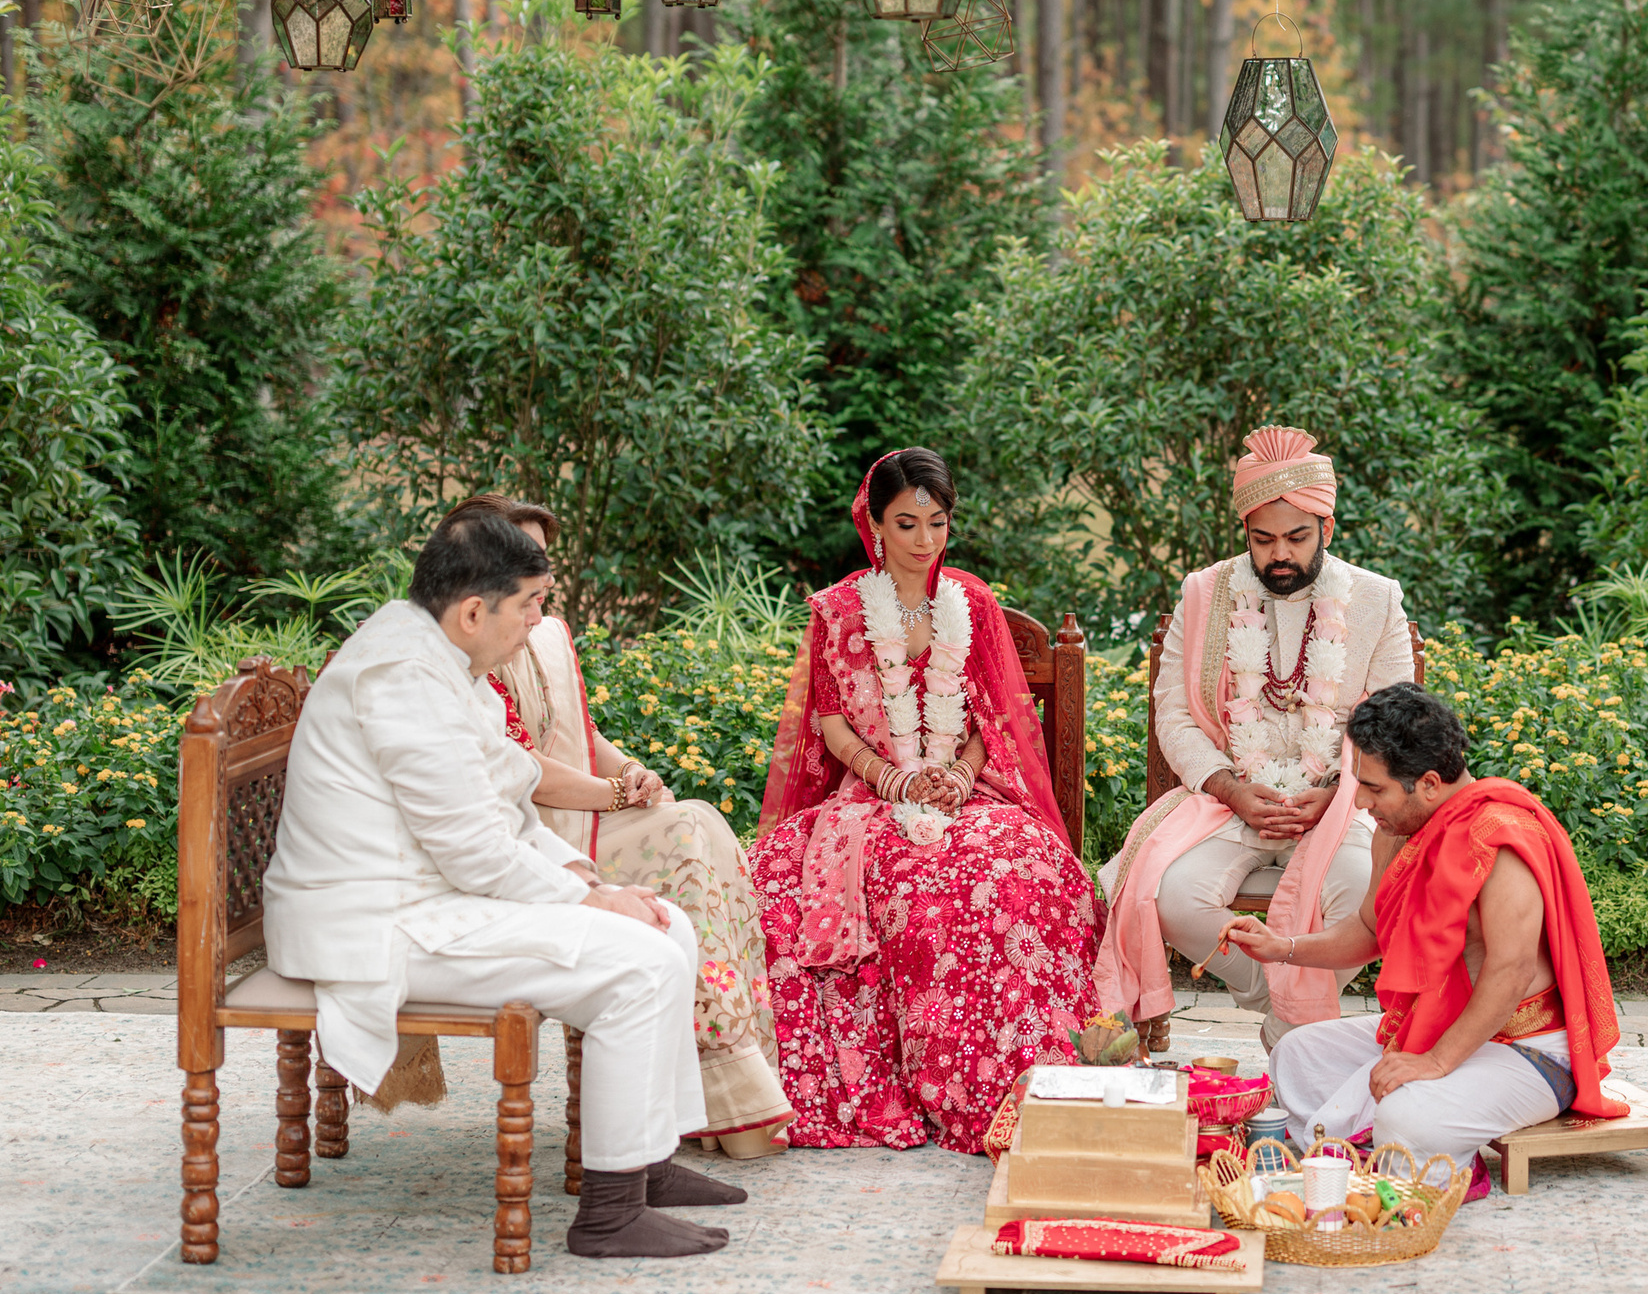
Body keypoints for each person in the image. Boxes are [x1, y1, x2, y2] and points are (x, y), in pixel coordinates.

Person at [262, 511, 742, 1259]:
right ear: (474, 609)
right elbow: (473, 851)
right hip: (379, 922)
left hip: (427, 896)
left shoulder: (438, 656)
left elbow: (507, 797)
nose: (538, 623)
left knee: (667, 927)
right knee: (641, 961)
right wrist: (591, 900)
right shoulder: (402, 676)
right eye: (531, 604)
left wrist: (582, 875)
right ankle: (609, 1215)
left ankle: (644, 1162)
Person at [750, 447, 1098, 1153]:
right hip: (871, 795)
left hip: (968, 790)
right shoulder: (842, 610)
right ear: (873, 523)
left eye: (937, 522)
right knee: (877, 875)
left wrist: (962, 777)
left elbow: (993, 720)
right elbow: (829, 721)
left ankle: (1028, 1080)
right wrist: (894, 779)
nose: (923, 540)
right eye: (905, 523)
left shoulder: (970, 602)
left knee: (1020, 864)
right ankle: (919, 1081)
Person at [438, 494, 793, 1161]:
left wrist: (633, 773)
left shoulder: (541, 631)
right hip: (533, 832)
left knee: (700, 824)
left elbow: (581, 731)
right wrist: (611, 795)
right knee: (686, 837)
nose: (533, 573)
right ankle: (714, 1101)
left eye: (540, 560)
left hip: (576, 814)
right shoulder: (465, 647)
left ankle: (736, 1089)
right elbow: (514, 767)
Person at [1094, 426, 1414, 1052]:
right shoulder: (1205, 594)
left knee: (1368, 896)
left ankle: (1288, 1018)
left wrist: (1337, 794)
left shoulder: (1377, 599)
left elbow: (1394, 719)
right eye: (1262, 539)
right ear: (1244, 533)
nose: (1279, 556)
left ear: (1328, 527)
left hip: (1337, 804)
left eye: (1296, 537)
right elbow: (1176, 717)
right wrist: (1231, 788)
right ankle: (1286, 1009)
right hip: (1228, 805)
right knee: (1171, 896)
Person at [1224, 684, 1624, 1175]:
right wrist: (1280, 946)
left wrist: (1434, 1063)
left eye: (1374, 789)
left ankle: (1378, 1156)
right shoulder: (1396, 833)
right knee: (1296, 1054)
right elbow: (1368, 931)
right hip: (1437, 1024)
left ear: (1430, 783)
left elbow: (1512, 969)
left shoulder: (1499, 838)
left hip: (1527, 1048)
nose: (1362, 803)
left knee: (1406, 1116)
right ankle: (1349, 1157)